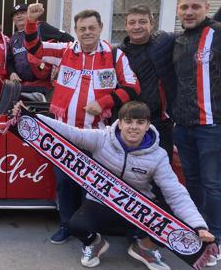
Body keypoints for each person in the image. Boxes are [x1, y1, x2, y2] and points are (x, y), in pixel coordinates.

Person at [12, 101, 215, 269]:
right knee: (76, 225)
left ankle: (143, 247)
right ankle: (95, 243)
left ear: (147, 126)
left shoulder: (158, 155)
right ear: (119, 123)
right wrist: (29, 117)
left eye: (140, 122)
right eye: (128, 121)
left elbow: (176, 193)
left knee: (172, 221)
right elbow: (69, 132)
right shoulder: (102, 138)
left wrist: (198, 226)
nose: (133, 127)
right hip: (101, 202)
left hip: (137, 207)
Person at [25, 4, 140, 244]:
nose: (87, 32)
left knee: (92, 185)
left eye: (91, 28)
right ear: (75, 31)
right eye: (82, 28)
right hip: (64, 132)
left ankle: (89, 229)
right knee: (65, 183)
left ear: (100, 28)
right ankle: (67, 225)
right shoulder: (65, 51)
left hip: (97, 134)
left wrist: (105, 101)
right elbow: (35, 48)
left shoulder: (115, 55)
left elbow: (132, 87)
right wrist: (31, 22)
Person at [172, 0, 221, 266]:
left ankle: (216, 239)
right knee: (192, 182)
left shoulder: (217, 33)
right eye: (184, 7)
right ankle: (197, 230)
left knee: (213, 184)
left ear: (206, 7)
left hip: (212, 127)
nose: (189, 12)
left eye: (195, 7)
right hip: (184, 125)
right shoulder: (179, 40)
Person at [117, 5, 176, 162]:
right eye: (132, 22)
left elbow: (198, 31)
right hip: (130, 124)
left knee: (162, 172)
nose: (137, 26)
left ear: (152, 23)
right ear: (126, 25)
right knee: (130, 174)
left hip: (160, 122)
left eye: (142, 21)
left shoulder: (165, 41)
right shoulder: (117, 54)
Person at [7, 3, 74, 95]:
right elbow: (9, 61)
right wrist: (12, 73)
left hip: (43, 86)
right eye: (15, 14)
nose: (19, 16)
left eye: (22, 12)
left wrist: (59, 65)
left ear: (29, 14)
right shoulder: (13, 39)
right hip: (23, 86)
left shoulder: (41, 27)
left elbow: (69, 39)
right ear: (13, 19)